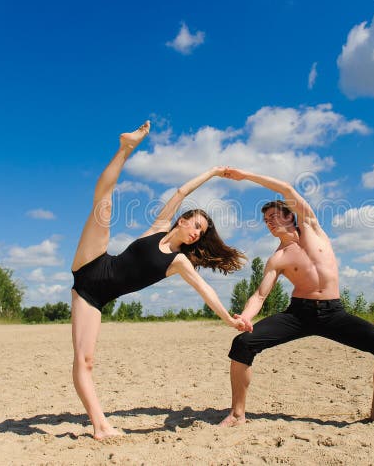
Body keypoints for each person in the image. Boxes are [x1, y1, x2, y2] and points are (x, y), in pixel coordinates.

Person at [70, 121, 252, 440]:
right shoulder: (159, 226)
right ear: (181, 220)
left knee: (85, 360)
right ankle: (126, 147)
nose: (197, 232)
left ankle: (100, 427)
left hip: (92, 297)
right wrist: (212, 171)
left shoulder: (179, 261)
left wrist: (228, 318)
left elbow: (204, 289)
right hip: (93, 263)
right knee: (105, 204)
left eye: (202, 232)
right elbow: (182, 191)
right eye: (195, 224)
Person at [218, 167, 374, 427]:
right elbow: (260, 295)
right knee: (242, 344)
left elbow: (286, 189)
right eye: (266, 220)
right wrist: (245, 318)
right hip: (298, 314)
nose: (269, 222)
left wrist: (245, 176)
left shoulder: (312, 228)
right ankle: (237, 413)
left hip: (333, 313)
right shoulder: (277, 258)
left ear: (290, 216)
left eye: (273, 216)